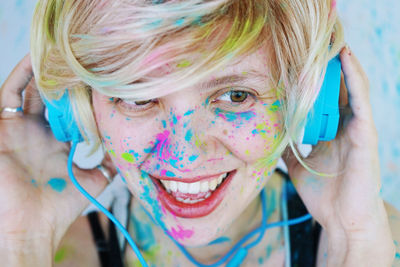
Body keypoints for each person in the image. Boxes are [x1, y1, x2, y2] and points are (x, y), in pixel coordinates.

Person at [0, 0, 399, 266]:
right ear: (78, 108)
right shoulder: (59, 258)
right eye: (137, 98)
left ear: (307, 105)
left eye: (235, 95)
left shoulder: (383, 242)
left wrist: (357, 243)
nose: (183, 154)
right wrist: (20, 243)